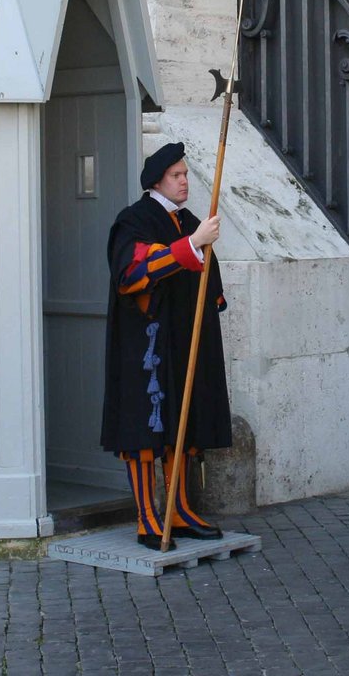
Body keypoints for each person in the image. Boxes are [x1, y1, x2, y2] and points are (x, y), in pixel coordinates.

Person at [101, 142, 233, 549]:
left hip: (183, 341)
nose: (184, 182)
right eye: (177, 175)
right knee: (145, 430)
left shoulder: (189, 220)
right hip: (146, 345)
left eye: (186, 174)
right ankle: (147, 517)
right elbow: (134, 272)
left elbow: (207, 278)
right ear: (157, 180)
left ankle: (178, 510)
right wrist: (191, 245)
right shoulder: (134, 220)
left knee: (182, 426)